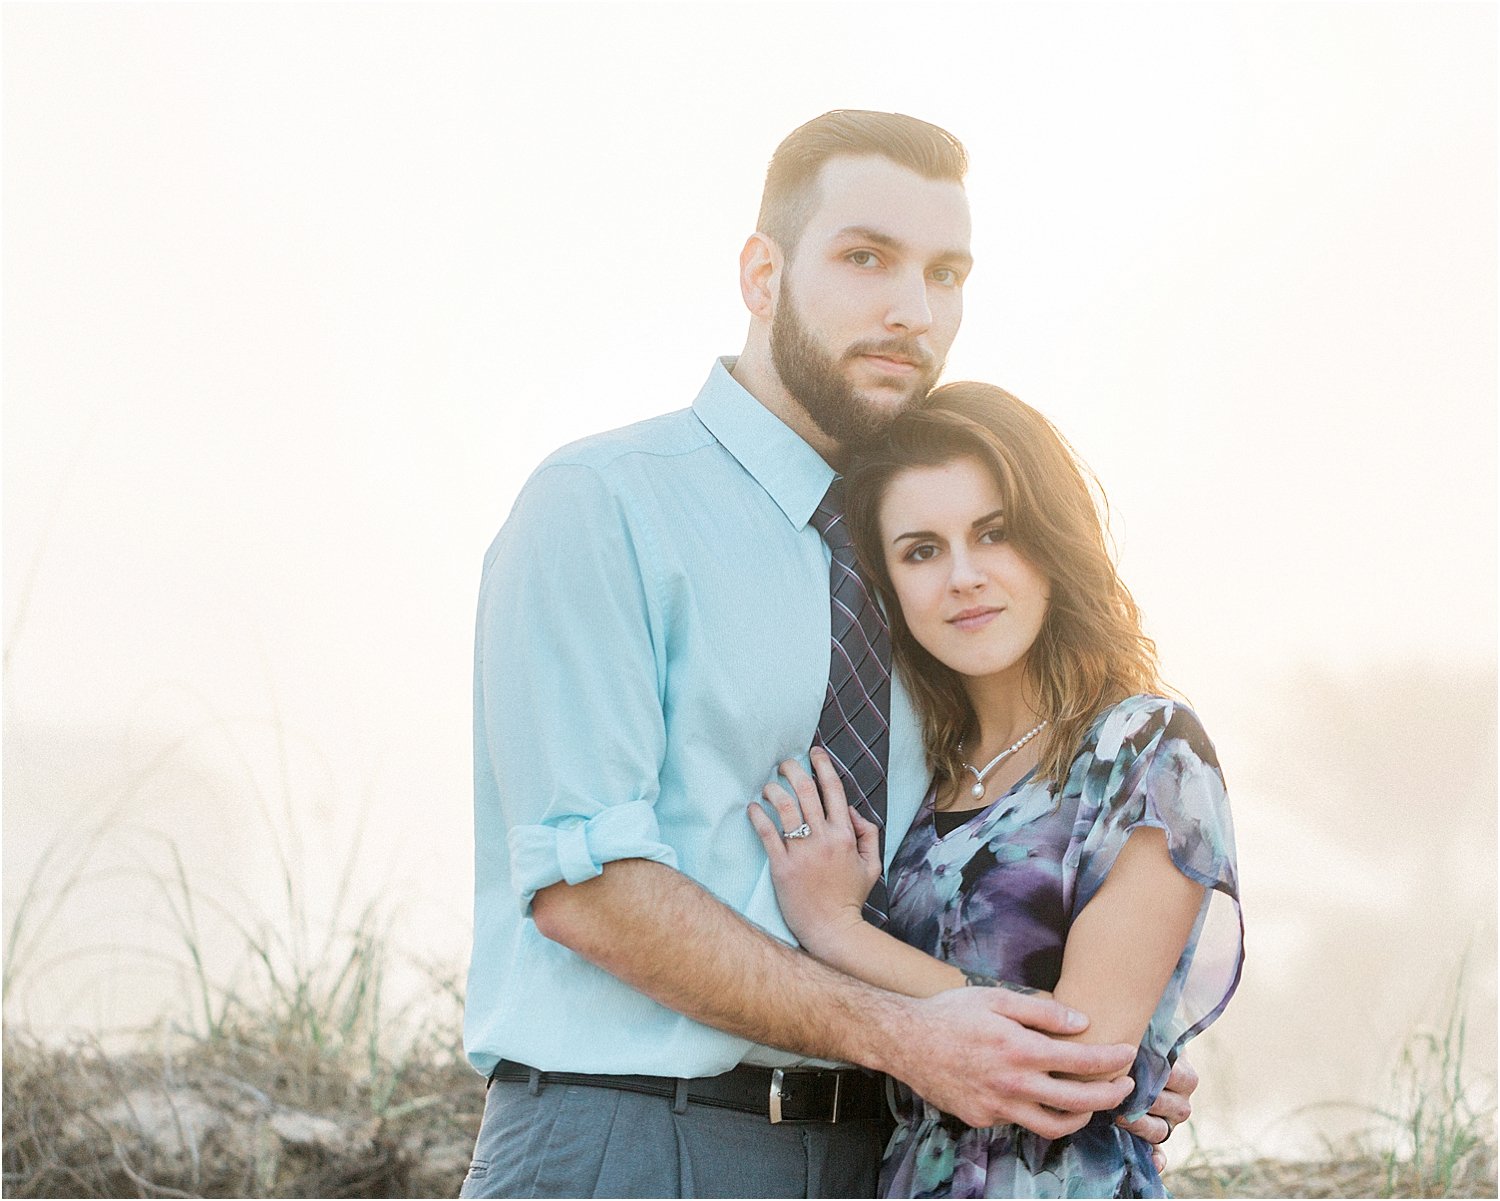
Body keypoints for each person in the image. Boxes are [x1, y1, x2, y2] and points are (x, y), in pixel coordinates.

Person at [461, 110, 1195, 1200]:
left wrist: (1084, 1048)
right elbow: (589, 889)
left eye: (946, 273)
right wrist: (910, 1036)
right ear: (762, 273)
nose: (913, 309)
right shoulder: (605, 505)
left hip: (890, 1155)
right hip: (629, 1136)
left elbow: (984, 878)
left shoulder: (937, 567)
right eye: (866, 259)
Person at [749, 382, 1243, 1197]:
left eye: (995, 533)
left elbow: (1079, 1057)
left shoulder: (1146, 749)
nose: (964, 577)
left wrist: (838, 931)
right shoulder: (913, 778)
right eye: (921, 550)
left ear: (1052, 542)